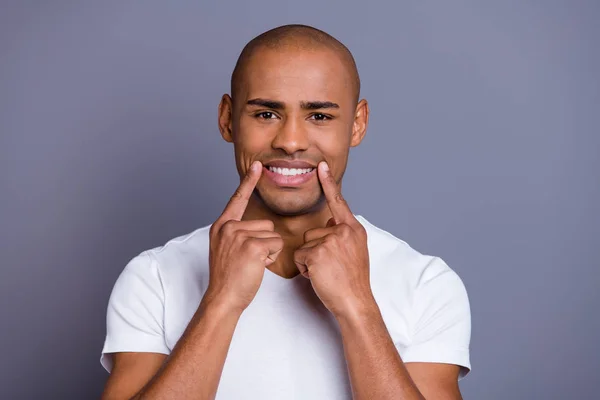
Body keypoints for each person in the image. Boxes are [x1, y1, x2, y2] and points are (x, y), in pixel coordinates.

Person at [100, 24, 471, 400]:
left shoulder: (426, 284)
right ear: (228, 118)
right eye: (265, 114)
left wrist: (358, 306)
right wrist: (221, 302)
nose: (291, 142)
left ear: (357, 124)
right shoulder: (154, 278)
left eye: (320, 116)